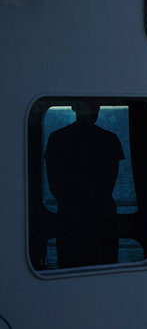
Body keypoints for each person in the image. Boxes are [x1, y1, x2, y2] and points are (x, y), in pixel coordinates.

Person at [44, 102, 124, 267]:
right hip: (103, 218)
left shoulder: (56, 138)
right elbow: (110, 182)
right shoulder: (109, 139)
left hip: (69, 218)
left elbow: (54, 183)